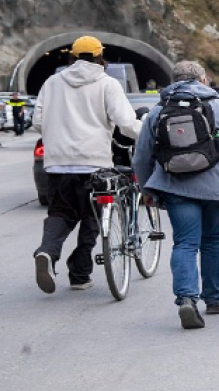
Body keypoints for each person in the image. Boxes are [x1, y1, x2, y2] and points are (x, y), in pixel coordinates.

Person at [133, 61, 219, 329]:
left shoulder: (158, 112)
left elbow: (142, 156)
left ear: (173, 81)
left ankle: (187, 299)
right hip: (215, 186)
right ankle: (213, 299)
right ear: (203, 80)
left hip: (175, 185)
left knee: (184, 243)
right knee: (213, 239)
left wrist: (147, 189)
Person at [32, 35, 142, 294]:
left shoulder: (52, 83)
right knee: (94, 219)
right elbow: (125, 123)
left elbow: (38, 120)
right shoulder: (107, 83)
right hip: (94, 164)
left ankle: (47, 252)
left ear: (72, 56)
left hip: (58, 165)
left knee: (60, 213)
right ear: (99, 56)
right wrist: (147, 135)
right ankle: (80, 275)